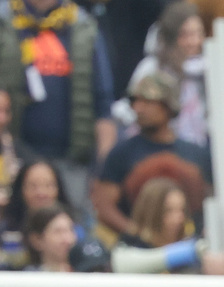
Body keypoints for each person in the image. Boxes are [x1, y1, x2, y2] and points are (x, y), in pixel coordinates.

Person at [0, 0, 117, 214]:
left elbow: (104, 106)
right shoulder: (4, 21)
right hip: (12, 159)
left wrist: (102, 171)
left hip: (72, 163)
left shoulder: (83, 26)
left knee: (69, 230)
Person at [92, 72, 211, 242]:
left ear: (168, 106)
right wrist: (137, 235)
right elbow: (104, 206)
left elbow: (210, 203)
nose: (138, 108)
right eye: (135, 101)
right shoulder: (121, 153)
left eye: (148, 102)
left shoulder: (196, 155)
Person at [126, 1, 209, 146]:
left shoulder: (208, 69)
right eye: (185, 35)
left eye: (197, 33)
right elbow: (132, 109)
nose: (193, 41)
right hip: (156, 147)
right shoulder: (151, 67)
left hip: (196, 148)